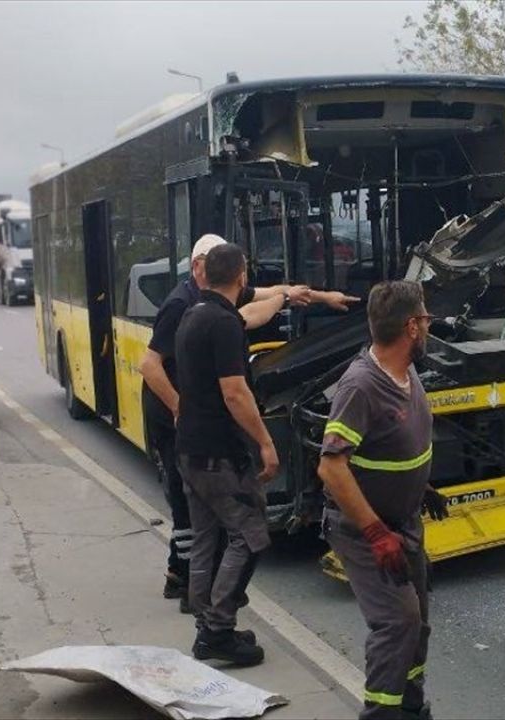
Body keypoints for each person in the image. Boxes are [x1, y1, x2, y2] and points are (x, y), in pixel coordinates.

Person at [139, 234, 358, 609]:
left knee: (206, 527)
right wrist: (183, 410)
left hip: (194, 433)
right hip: (180, 424)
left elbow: (267, 300)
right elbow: (222, 389)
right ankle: (207, 606)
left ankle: (200, 605)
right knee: (235, 529)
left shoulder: (205, 310)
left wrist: (319, 298)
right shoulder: (184, 307)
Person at [317, 280, 448, 720]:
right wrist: (375, 533)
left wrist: (418, 486)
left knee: (419, 623)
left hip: (405, 521)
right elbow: (331, 467)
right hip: (365, 531)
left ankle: (411, 708)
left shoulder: (406, 371)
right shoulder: (361, 387)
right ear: (412, 326)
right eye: (425, 319)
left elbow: (392, 445)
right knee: (397, 622)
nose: (428, 326)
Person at [174, 243, 280, 666]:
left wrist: (285, 296)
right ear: (241, 275)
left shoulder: (193, 314)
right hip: (220, 454)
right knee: (249, 535)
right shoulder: (223, 324)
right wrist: (266, 443)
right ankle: (219, 629)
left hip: (190, 449)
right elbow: (235, 392)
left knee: (206, 538)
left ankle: (207, 623)